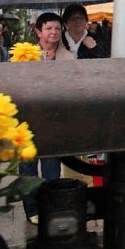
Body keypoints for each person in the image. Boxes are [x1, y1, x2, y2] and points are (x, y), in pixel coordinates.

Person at [19, 12, 74, 224]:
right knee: (27, 167)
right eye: (49, 28)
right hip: (28, 119)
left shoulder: (68, 57)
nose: (54, 32)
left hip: (54, 119)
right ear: (38, 31)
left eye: (58, 29)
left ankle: (51, 206)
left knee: (52, 167)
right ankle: (32, 209)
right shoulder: (24, 54)